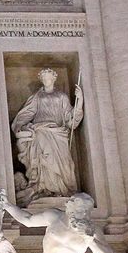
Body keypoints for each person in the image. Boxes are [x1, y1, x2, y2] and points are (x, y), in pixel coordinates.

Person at [12, 68, 84, 202]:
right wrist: (20, 126)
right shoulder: (37, 97)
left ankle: (62, 190)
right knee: (44, 161)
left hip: (58, 134)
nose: (46, 80)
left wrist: (79, 102)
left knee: (64, 163)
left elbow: (70, 119)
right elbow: (27, 113)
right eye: (44, 78)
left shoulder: (62, 97)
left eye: (49, 78)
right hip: (41, 131)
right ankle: (44, 188)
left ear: (54, 79)